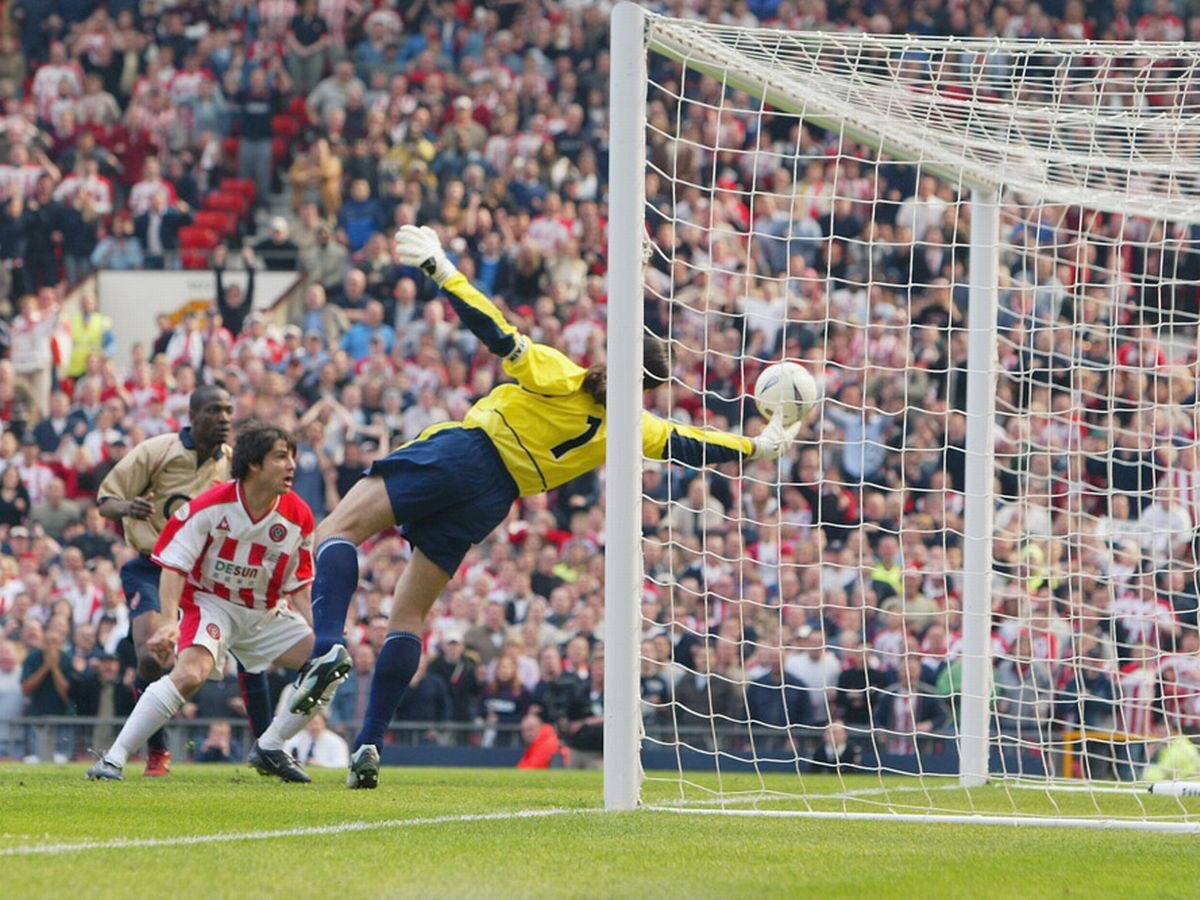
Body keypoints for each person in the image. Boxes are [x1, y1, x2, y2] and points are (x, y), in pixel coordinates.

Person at [282, 225, 804, 789]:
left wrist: (441, 268)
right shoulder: (633, 426)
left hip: (468, 452)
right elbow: (693, 442)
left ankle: (329, 642)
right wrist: (761, 446)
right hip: (493, 499)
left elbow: (497, 331)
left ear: (611, 355)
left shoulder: (566, 377)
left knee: (337, 528)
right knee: (408, 617)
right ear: (650, 387)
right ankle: (368, 744)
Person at [87, 422, 325, 784]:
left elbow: (300, 586)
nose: (292, 465)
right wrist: (169, 621)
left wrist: (323, 633)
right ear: (254, 465)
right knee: (190, 674)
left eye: (292, 456)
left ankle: (272, 745)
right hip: (213, 604)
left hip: (265, 614)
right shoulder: (210, 506)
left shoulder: (300, 516)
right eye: (281, 456)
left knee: (331, 662)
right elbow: (172, 564)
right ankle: (113, 759)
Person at [94, 386, 271, 776]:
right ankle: (156, 750)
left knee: (253, 657)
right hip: (152, 567)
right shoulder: (158, 451)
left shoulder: (234, 464)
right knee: (150, 658)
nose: (225, 418)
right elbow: (105, 500)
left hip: (210, 576)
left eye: (229, 409)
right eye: (214, 410)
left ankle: (269, 749)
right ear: (192, 415)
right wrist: (129, 506)